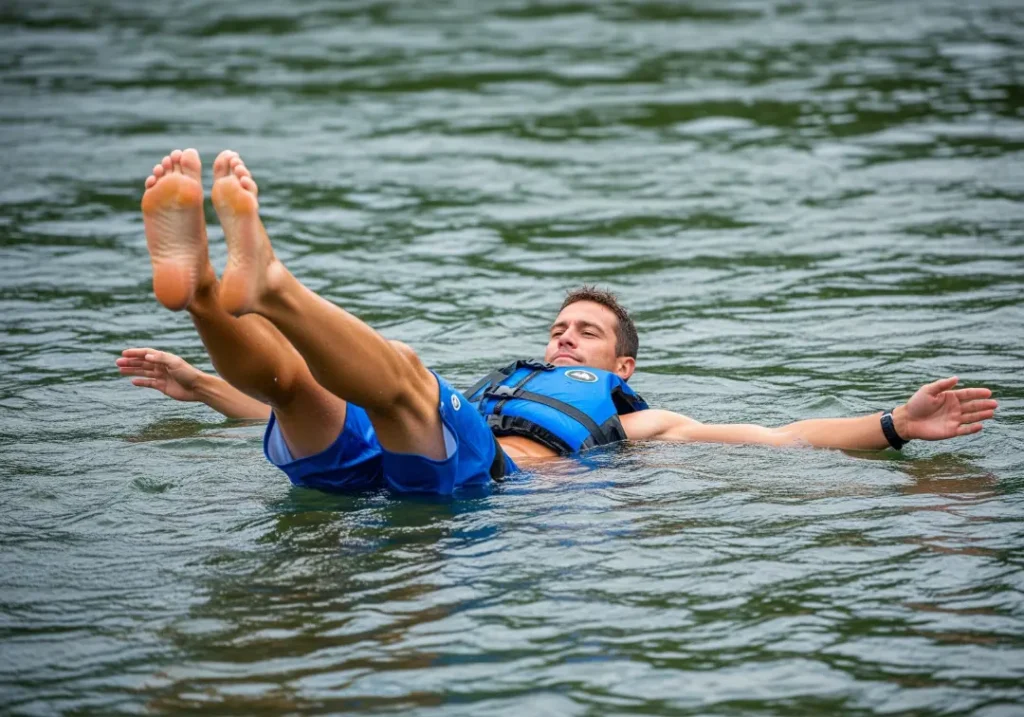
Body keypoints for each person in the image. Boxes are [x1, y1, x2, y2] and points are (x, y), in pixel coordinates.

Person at [118, 148, 999, 494]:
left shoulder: (634, 417)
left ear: (618, 368)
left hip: (486, 487)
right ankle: (202, 291)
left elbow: (777, 438)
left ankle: (267, 283)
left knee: (406, 376)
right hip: (407, 462)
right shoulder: (500, 388)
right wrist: (201, 387)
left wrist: (893, 426)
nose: (564, 337)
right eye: (558, 328)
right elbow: (282, 408)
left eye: (586, 333)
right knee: (295, 383)